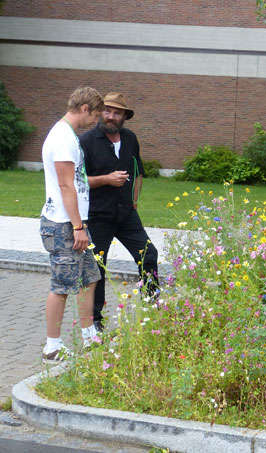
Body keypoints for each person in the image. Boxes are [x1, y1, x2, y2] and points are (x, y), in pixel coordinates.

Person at [80, 92, 158, 331]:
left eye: (117, 112)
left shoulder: (130, 138)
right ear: (100, 112)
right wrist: (106, 179)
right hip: (98, 215)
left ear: (124, 116)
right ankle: (95, 321)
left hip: (126, 215)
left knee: (149, 254)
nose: (111, 116)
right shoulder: (86, 141)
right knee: (97, 268)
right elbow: (78, 181)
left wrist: (134, 201)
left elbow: (138, 171)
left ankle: (152, 306)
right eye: (107, 110)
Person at [40, 86, 104, 364]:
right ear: (85, 108)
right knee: (62, 286)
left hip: (73, 223)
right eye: (97, 115)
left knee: (89, 279)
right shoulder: (64, 138)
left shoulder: (67, 135)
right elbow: (66, 184)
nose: (97, 122)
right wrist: (78, 227)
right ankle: (52, 348)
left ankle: (89, 335)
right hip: (64, 225)